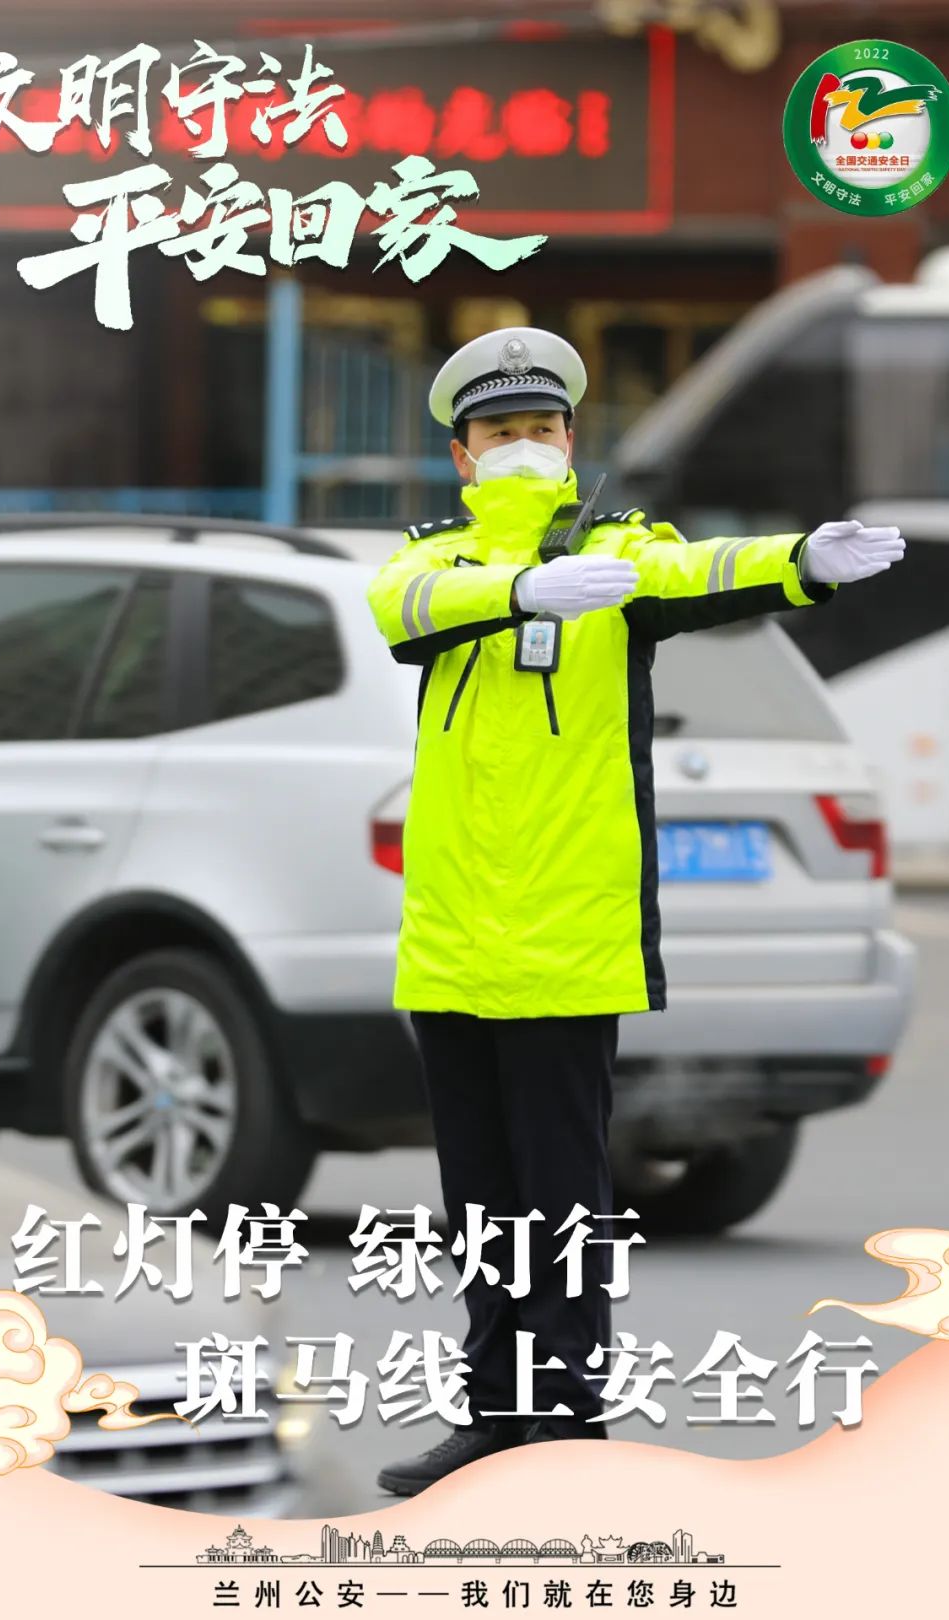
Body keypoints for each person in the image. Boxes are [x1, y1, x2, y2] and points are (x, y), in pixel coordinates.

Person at [365, 327, 905, 1496]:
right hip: (451, 941)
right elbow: (404, 613)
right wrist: (520, 587)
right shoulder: (430, 562)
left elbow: (702, 572)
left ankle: (567, 1429)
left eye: (540, 429)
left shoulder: (618, 558)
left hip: (570, 941)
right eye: (500, 433)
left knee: (562, 1196)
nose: (522, 448)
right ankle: (491, 1419)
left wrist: (803, 560)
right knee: (479, 1204)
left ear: (570, 441)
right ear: (462, 455)